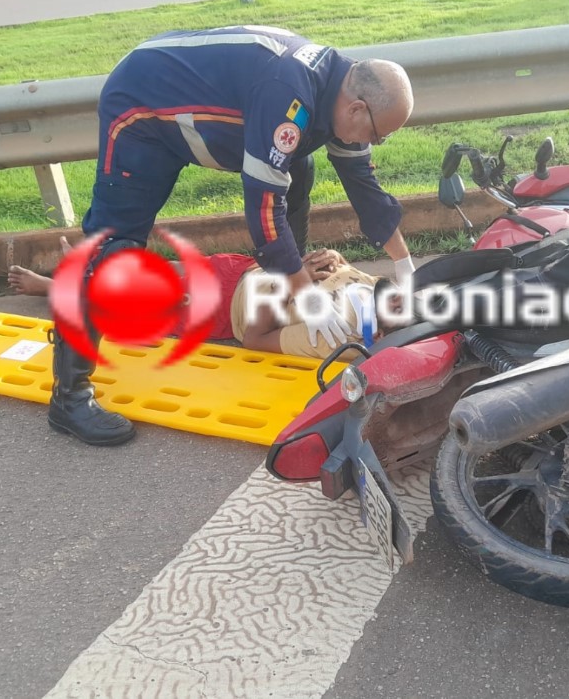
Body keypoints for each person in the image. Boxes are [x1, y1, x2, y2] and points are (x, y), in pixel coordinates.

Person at [50, 25, 417, 446]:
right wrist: (310, 299)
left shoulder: (342, 92)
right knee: (112, 248)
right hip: (144, 107)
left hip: (205, 112)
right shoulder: (289, 95)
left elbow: (366, 192)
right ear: (356, 109)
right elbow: (263, 211)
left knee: (299, 168)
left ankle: (283, 291)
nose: (375, 142)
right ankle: (70, 396)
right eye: (378, 134)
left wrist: (405, 267)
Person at [9, 241, 384, 360]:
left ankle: (55, 287)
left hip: (222, 306)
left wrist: (290, 286)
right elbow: (340, 273)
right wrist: (328, 259)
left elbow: (255, 339)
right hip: (246, 272)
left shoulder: (345, 337)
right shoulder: (378, 290)